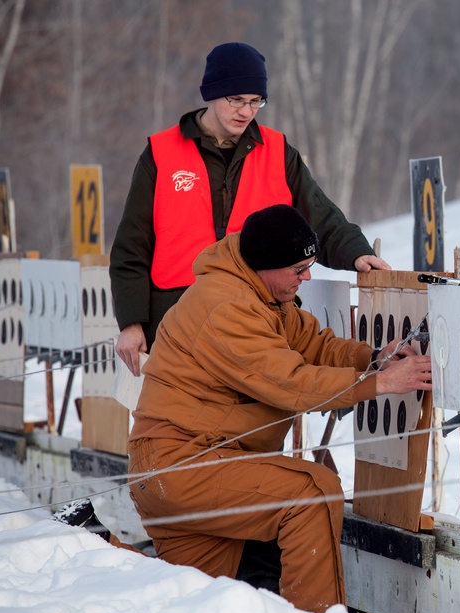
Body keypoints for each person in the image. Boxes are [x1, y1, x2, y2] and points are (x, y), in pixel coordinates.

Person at [126, 204, 432, 613]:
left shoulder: (259, 293)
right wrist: (381, 384)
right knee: (311, 493)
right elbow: (290, 383)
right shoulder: (228, 308)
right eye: (299, 268)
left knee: (191, 598)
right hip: (180, 464)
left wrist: (373, 357)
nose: (307, 277)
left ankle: (85, 543)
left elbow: (315, 344)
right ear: (266, 265)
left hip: (186, 464)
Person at [110, 42, 389, 377]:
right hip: (175, 325)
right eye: (236, 100)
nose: (246, 111)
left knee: (253, 425)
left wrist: (355, 252)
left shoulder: (278, 151)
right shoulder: (160, 153)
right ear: (211, 94)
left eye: (256, 101)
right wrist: (131, 322)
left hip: (259, 325)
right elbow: (131, 247)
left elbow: (320, 217)